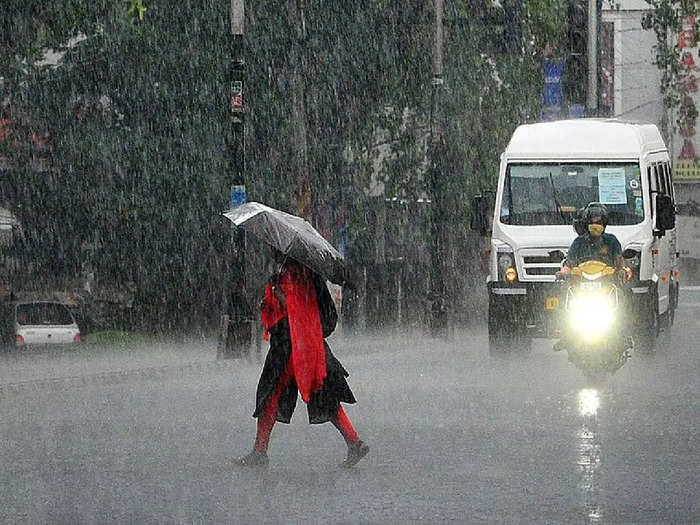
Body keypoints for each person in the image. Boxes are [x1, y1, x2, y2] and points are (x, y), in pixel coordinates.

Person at [233, 249, 369, 468]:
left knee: (270, 394)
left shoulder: (292, 275)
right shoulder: (308, 274)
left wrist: (278, 297)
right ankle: (353, 441)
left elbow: (293, 310)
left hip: (291, 346)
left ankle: (259, 452)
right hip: (310, 343)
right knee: (323, 394)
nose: (272, 252)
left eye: (274, 249)